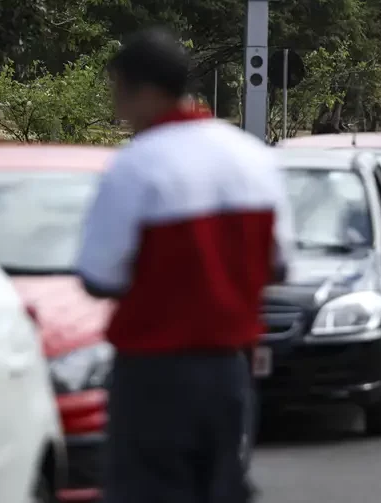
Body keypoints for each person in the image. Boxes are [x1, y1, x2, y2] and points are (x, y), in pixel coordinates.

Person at [76, 27, 293, 503]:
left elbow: (99, 276)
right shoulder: (252, 159)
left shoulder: (137, 166)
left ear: (145, 91)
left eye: (118, 90)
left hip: (153, 374)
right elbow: (278, 266)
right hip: (230, 372)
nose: (115, 105)